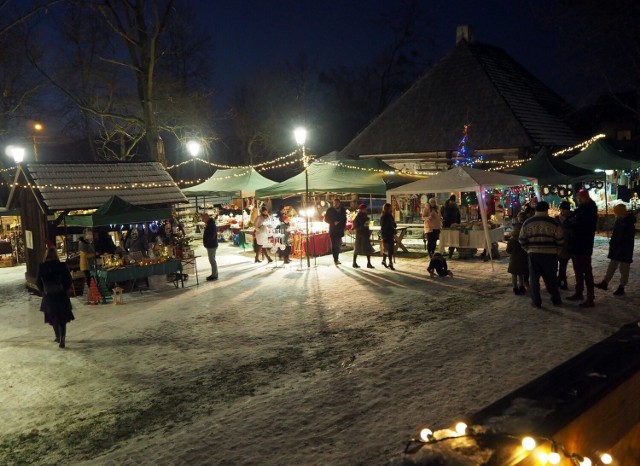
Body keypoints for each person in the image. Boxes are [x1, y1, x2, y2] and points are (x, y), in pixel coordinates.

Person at [518, 201, 564, 308]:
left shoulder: (527, 222)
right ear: (547, 209)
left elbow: (521, 240)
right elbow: (560, 240)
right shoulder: (554, 223)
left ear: (536, 210)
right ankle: (556, 299)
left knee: (534, 280)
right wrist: (557, 251)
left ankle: (536, 301)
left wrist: (528, 249)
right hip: (550, 255)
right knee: (551, 278)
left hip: (533, 255)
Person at [564, 189, 598, 308]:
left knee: (586, 271)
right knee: (578, 270)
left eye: (579, 197)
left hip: (583, 244)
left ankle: (590, 297)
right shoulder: (582, 210)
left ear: (583, 198)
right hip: (577, 244)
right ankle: (579, 292)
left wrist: (569, 222)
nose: (577, 199)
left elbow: (576, 225)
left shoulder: (587, 210)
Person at [36, 248, 74, 349]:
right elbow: (68, 280)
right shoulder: (61, 265)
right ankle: (62, 338)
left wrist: (43, 291)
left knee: (53, 316)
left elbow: (38, 282)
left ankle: (57, 335)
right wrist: (65, 289)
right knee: (62, 318)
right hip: (61, 295)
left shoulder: (42, 266)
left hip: (49, 296)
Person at [595, 204, 636, 296]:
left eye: (616, 211)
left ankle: (622, 287)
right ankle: (605, 282)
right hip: (617, 248)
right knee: (612, 266)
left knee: (624, 269)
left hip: (625, 249)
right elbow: (617, 232)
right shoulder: (620, 219)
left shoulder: (629, 223)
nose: (615, 213)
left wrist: (617, 242)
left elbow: (626, 238)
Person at [324, 198, 347, 266]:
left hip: (340, 230)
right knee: (334, 245)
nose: (335, 205)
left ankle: (337, 258)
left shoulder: (342, 209)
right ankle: (335, 259)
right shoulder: (330, 210)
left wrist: (343, 226)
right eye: (334, 203)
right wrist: (333, 222)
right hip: (333, 230)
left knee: (338, 245)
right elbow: (326, 219)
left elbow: (344, 218)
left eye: (336, 203)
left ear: (339, 203)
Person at [506, 222, 527, 295]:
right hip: (522, 259)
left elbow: (508, 251)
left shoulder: (511, 240)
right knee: (521, 275)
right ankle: (522, 286)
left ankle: (515, 288)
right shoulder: (523, 239)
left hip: (514, 260)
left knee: (514, 275)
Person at [556, 201, 572, 290]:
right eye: (564, 209)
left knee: (563, 265)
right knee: (558, 266)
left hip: (566, 246)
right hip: (556, 246)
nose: (566, 211)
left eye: (567, 210)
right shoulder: (556, 220)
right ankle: (560, 281)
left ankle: (562, 281)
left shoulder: (571, 220)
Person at [352, 204, 374, 269]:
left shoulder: (366, 217)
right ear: (361, 210)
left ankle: (369, 263)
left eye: (365, 209)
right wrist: (363, 226)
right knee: (357, 249)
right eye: (364, 209)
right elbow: (356, 226)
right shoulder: (357, 217)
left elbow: (366, 225)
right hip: (360, 235)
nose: (365, 210)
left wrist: (367, 227)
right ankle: (354, 262)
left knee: (367, 249)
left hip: (365, 234)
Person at [201, 212, 218, 281]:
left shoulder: (211, 225)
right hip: (211, 244)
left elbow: (211, 236)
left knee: (212, 260)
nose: (202, 219)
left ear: (206, 217)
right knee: (212, 260)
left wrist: (207, 243)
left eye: (203, 218)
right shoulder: (210, 224)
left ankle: (214, 275)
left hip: (211, 245)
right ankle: (214, 274)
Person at [380, 202, 397, 270]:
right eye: (390, 207)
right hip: (387, 234)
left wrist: (394, 225)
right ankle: (390, 263)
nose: (391, 208)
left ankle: (384, 261)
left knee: (387, 249)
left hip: (389, 234)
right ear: (388, 208)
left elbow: (393, 224)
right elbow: (384, 226)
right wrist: (384, 235)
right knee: (389, 249)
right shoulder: (385, 216)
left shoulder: (389, 215)